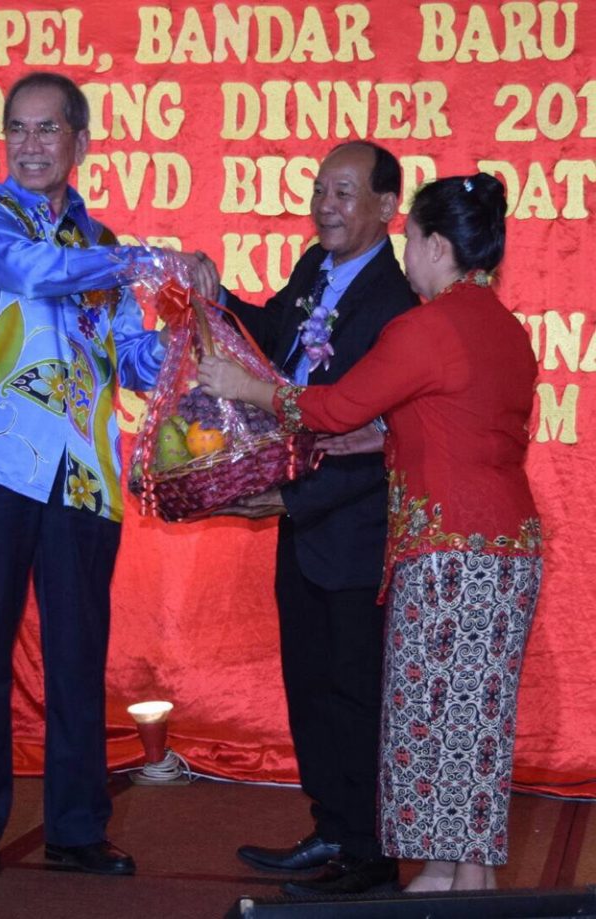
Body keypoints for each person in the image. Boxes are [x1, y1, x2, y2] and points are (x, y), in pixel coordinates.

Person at [198, 172, 543, 893]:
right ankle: (450, 873)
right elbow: (431, 425)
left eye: (410, 239)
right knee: (470, 720)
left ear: (438, 245)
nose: (405, 253)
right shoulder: (504, 328)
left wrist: (244, 386)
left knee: (445, 721)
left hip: (450, 552)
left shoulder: (428, 327)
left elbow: (334, 406)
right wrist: (367, 439)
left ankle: (469, 884)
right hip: (504, 549)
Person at [0, 71, 213, 882]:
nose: (29, 145)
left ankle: (78, 829)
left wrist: (194, 331)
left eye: (46, 129)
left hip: (83, 476)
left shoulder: (102, 243)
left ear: (79, 142)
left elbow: (133, 360)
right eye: (17, 129)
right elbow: (28, 271)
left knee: (79, 656)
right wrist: (145, 260)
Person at [215, 141, 419, 895]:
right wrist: (214, 297)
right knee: (309, 686)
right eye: (319, 190)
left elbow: (381, 441)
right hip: (302, 524)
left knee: (356, 695)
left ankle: (369, 855)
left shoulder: (396, 304)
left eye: (343, 192)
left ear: (387, 207)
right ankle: (332, 826)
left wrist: (291, 498)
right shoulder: (314, 268)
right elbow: (274, 337)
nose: (324, 206)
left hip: (355, 533)